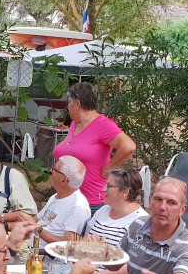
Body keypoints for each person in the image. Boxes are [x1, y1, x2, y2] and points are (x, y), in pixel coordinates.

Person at [53, 82, 135, 214]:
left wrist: (109, 167)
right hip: (68, 199)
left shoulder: (103, 125)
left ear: (77, 104)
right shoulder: (75, 123)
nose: (67, 107)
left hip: (91, 201)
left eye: (69, 103)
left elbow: (129, 146)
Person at [32, 155, 90, 244]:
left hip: (40, 253)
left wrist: (37, 229)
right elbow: (37, 220)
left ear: (64, 180)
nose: (51, 171)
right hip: (28, 242)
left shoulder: (77, 207)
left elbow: (67, 245)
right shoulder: (57, 196)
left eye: (54, 169)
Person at [83, 168, 148, 246]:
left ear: (125, 192)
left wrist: (99, 250)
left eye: (108, 186)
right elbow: (83, 241)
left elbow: (134, 256)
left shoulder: (140, 222)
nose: (103, 189)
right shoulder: (102, 211)